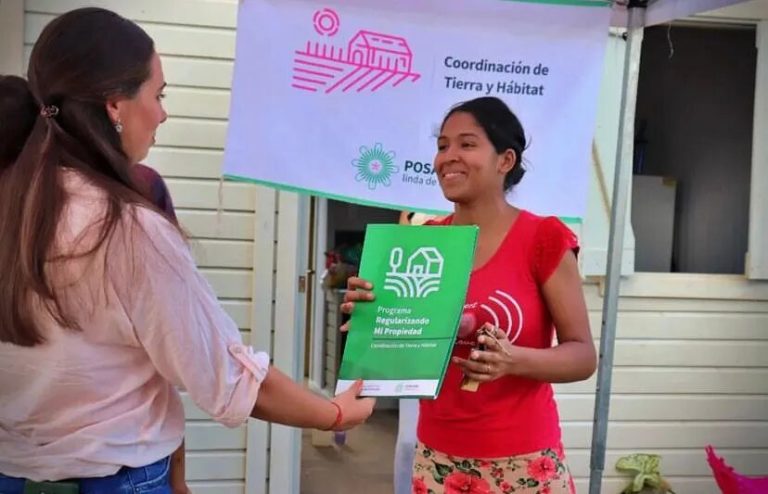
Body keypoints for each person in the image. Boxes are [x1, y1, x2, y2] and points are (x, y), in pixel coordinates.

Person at [0, 8, 374, 493]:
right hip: (114, 478)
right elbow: (228, 378)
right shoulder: (125, 229)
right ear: (115, 106)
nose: (163, 112)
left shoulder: (15, 208)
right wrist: (336, 412)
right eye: (158, 95)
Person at [343, 97, 596, 493]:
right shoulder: (421, 245)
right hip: (437, 460)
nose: (448, 157)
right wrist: (369, 318)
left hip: (524, 462)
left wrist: (513, 360)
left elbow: (582, 355)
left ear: (505, 160)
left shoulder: (543, 238)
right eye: (443, 146)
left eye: (466, 144)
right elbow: (402, 354)